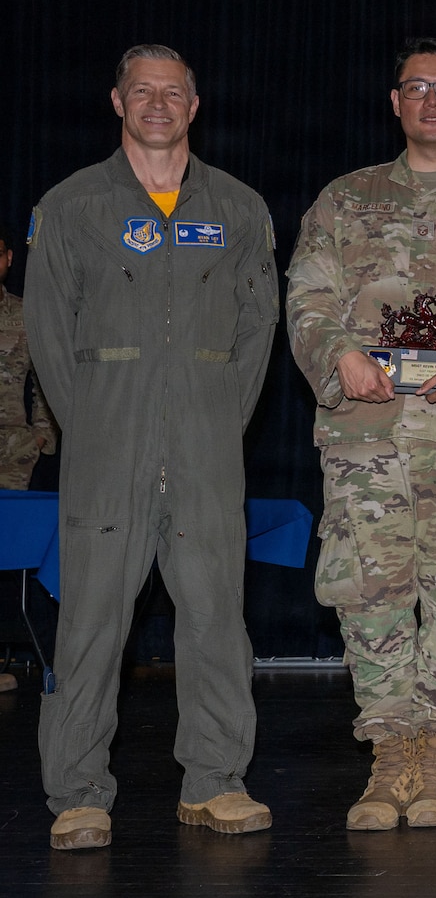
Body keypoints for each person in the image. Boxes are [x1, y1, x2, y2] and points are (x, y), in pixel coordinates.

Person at [28, 44, 279, 849]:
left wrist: (209, 418)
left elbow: (257, 332)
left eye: (174, 92)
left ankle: (215, 780)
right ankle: (77, 792)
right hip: (108, 449)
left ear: (195, 106)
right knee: (91, 622)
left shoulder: (239, 208)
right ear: (117, 101)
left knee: (215, 619)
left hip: (207, 448)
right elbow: (48, 337)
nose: (159, 104)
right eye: (144, 92)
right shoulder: (71, 206)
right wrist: (102, 420)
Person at [287, 38, 436, 831]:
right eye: (416, 88)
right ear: (395, 101)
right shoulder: (344, 199)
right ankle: (389, 751)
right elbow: (308, 300)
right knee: (369, 593)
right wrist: (340, 354)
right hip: (368, 433)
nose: (432, 101)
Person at [0, 237, 56, 493]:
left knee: (11, 529)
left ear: (9, 258)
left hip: (14, 452)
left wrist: (40, 436)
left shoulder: (27, 314)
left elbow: (47, 377)